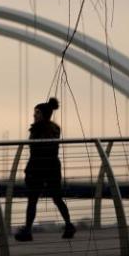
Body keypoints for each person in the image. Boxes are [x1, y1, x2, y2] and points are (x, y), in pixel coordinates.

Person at [14, 97, 75, 241]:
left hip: (38, 168)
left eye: (37, 113)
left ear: (43, 114)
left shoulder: (40, 129)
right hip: (52, 167)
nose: (34, 115)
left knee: (33, 200)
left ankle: (28, 231)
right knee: (57, 198)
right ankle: (68, 226)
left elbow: (38, 148)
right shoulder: (54, 128)